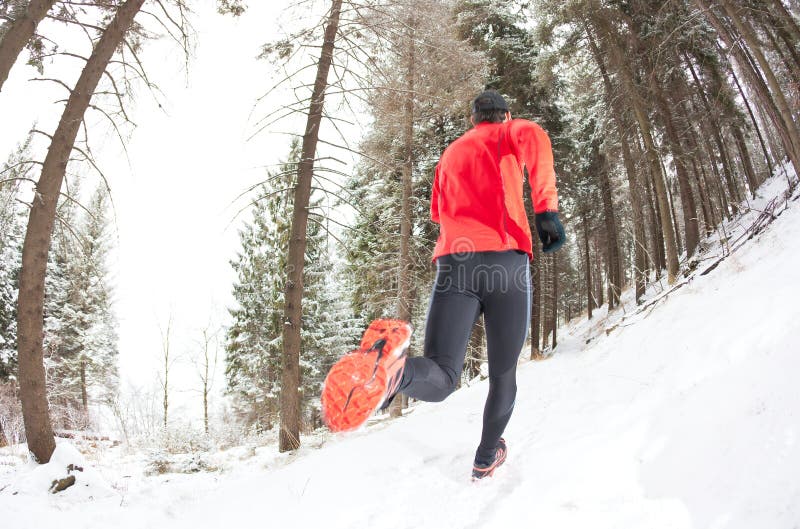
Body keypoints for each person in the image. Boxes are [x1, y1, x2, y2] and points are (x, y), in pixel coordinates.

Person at [321, 90, 565, 480]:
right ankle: (486, 456)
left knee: (442, 374)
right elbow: (534, 136)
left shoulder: (450, 153)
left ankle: (393, 374)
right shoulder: (509, 133)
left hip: (456, 264)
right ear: (505, 115)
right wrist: (546, 209)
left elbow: (438, 211)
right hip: (505, 263)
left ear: (473, 119)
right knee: (503, 375)